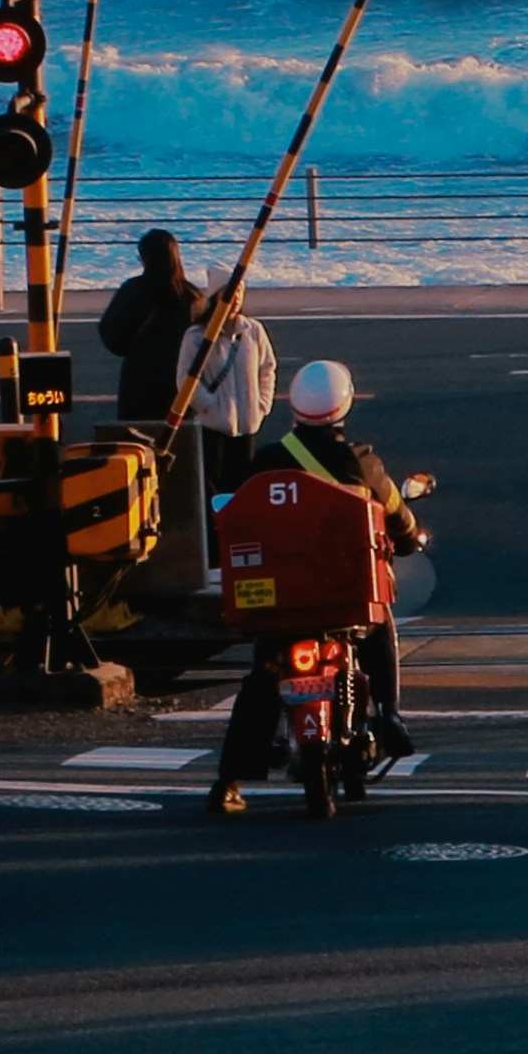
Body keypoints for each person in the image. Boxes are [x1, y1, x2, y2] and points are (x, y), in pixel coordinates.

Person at [208, 359, 427, 815]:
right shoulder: (362, 464)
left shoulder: (265, 462)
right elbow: (399, 521)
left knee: (261, 682)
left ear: (293, 407)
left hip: (278, 604)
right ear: (344, 405)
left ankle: (227, 782)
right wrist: (409, 536)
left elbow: (228, 512)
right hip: (345, 599)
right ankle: (388, 715)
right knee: (380, 625)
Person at [98, 229, 198, 428]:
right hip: (181, 386)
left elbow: (112, 337)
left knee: (139, 444)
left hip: (139, 382)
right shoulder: (193, 297)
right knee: (180, 445)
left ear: (144, 258)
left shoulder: (132, 291)